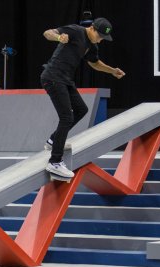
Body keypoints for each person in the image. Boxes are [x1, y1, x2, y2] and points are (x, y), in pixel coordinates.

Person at [41, 17, 125, 178]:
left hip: (65, 79)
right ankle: (55, 162)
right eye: (99, 36)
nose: (100, 40)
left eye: (103, 38)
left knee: (81, 109)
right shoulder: (75, 30)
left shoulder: (92, 45)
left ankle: (53, 141)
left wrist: (112, 70)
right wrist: (59, 37)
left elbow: (95, 63)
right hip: (52, 77)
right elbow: (47, 33)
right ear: (92, 28)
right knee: (66, 117)